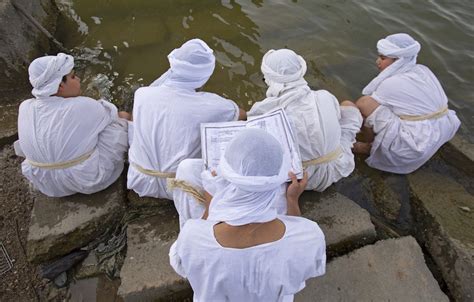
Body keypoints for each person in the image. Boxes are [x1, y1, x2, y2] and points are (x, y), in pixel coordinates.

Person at [169, 129, 326, 302]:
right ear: (278, 179)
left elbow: (181, 265)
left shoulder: (192, 236)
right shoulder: (310, 235)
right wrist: (292, 199)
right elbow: (306, 263)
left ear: (226, 177)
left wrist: (211, 204)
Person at [127, 38, 245, 199]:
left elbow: (135, 120)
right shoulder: (214, 106)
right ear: (206, 74)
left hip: (140, 179)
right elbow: (241, 115)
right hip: (181, 186)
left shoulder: (143, 94)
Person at [15, 53, 129, 197]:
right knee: (119, 121)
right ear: (60, 85)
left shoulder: (25, 106)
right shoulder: (81, 105)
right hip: (87, 179)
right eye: (73, 77)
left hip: (47, 184)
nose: (79, 79)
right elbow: (112, 115)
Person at [247, 49, 363, 192]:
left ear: (270, 78)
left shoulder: (263, 109)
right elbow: (337, 119)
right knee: (349, 107)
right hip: (338, 166)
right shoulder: (324, 96)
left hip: (301, 180)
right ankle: (354, 146)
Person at [353, 33, 461, 173]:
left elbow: (369, 106)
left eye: (383, 58)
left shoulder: (390, 84)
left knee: (364, 103)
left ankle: (369, 146)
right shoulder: (422, 70)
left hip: (414, 146)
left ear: (398, 60)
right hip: (443, 129)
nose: (377, 61)